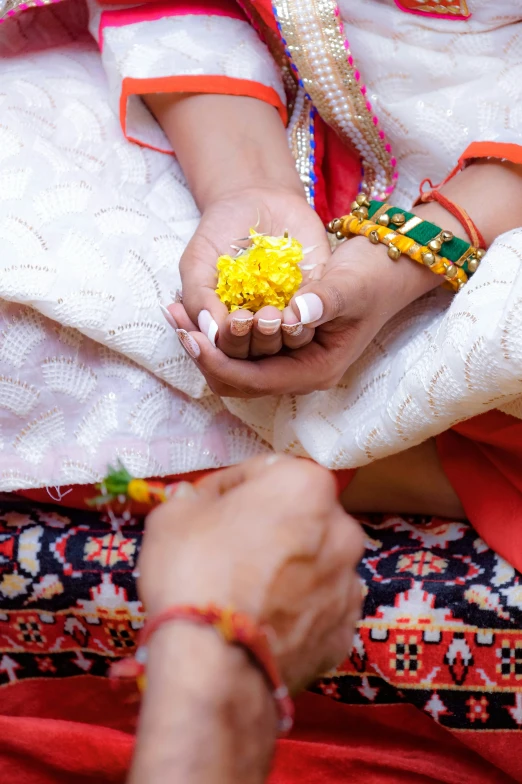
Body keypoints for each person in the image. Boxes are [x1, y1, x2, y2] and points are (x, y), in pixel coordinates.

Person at [1, 0, 522, 781]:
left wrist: (416, 248)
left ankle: (393, 450)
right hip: (238, 118)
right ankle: (377, 444)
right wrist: (247, 189)